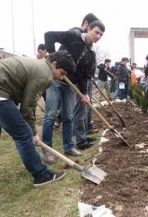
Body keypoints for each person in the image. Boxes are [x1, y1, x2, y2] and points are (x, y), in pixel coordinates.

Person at [0, 51, 76, 186]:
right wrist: (33, 132)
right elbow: (28, 107)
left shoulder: (39, 65)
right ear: (54, 64)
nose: (61, 78)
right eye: (62, 73)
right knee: (23, 134)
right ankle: (41, 175)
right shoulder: (44, 74)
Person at [43, 19, 105, 161]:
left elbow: (84, 76)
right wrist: (53, 57)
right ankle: (47, 150)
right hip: (56, 81)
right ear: (88, 28)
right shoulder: (73, 36)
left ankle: (69, 147)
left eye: (101, 35)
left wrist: (84, 93)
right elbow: (49, 35)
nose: (98, 36)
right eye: (96, 32)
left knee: (68, 116)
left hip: (71, 86)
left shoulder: (90, 54)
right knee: (50, 115)